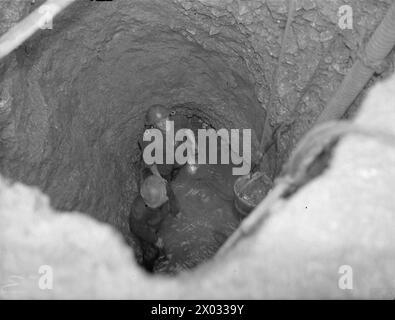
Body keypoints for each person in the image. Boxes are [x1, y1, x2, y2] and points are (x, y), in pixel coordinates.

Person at [129, 174, 179, 271]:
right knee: (151, 254)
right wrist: (154, 239)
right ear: (152, 205)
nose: (167, 197)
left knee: (161, 244)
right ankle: (147, 271)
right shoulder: (139, 211)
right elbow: (138, 229)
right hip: (147, 229)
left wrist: (175, 211)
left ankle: (165, 257)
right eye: (164, 197)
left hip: (157, 219)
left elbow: (170, 195)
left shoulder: (162, 186)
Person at [139, 104, 190, 181]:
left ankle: (177, 174)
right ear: (154, 125)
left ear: (169, 116)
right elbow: (150, 162)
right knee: (166, 179)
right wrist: (158, 177)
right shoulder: (149, 137)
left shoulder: (178, 121)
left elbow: (188, 131)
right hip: (164, 166)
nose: (164, 124)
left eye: (165, 119)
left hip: (180, 159)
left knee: (180, 173)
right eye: (159, 122)